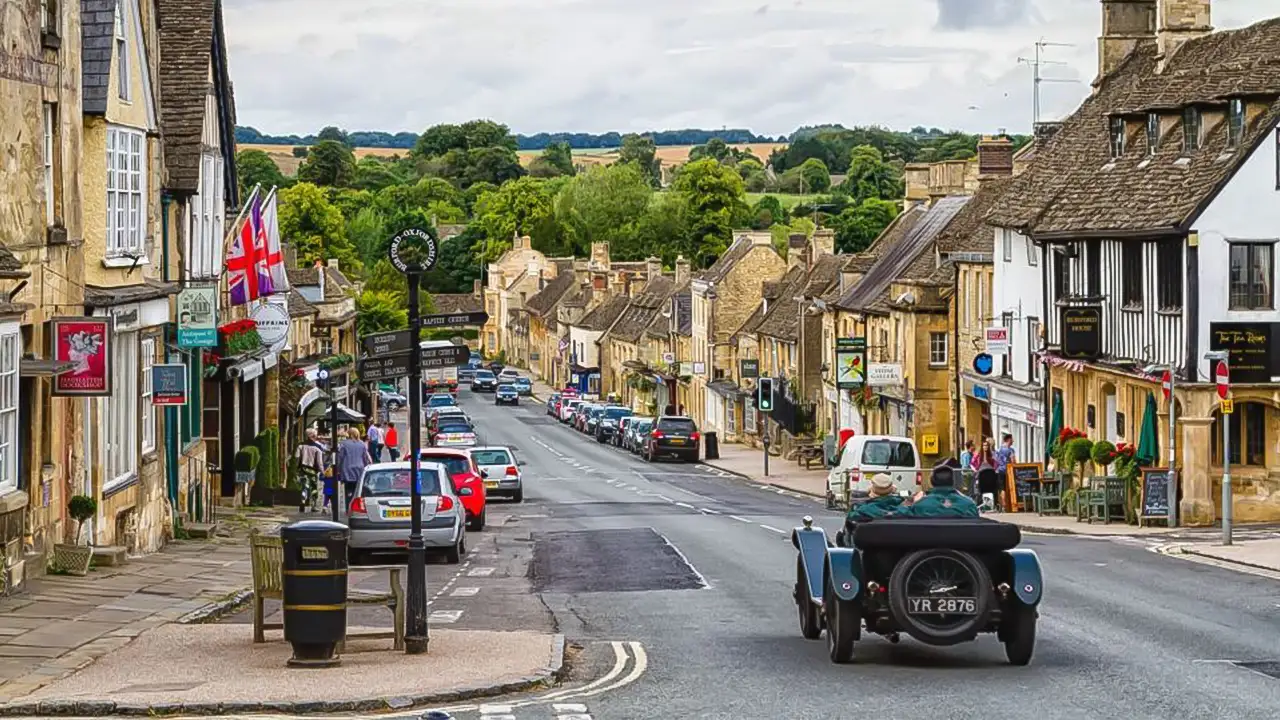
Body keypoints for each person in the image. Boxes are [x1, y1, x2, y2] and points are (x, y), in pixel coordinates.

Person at [905, 461, 980, 518]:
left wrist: (911, 502)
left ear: (932, 482)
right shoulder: (970, 505)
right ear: (953, 482)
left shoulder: (919, 506)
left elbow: (898, 514)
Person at [337, 427, 372, 508]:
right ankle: (357, 507)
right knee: (359, 490)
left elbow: (340, 457)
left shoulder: (344, 444)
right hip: (360, 469)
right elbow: (365, 458)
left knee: (349, 490)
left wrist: (338, 469)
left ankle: (348, 507)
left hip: (347, 469)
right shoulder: (362, 444)